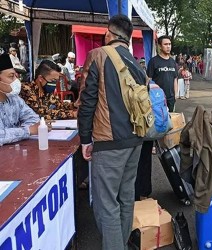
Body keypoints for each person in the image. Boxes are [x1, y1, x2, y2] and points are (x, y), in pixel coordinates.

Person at [77, 14, 146, 250]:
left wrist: (85, 139)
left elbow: (87, 101)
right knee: (126, 198)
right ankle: (121, 245)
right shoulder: (138, 63)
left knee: (106, 204)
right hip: (136, 139)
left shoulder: (98, 55)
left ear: (109, 33)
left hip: (108, 142)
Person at [134, 35, 178, 201]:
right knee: (155, 125)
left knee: (167, 126)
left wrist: (175, 95)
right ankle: (153, 144)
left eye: (169, 43)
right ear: (159, 46)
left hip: (170, 100)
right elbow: (149, 80)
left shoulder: (173, 62)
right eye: (165, 44)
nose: (168, 46)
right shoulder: (153, 62)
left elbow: (175, 79)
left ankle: (164, 147)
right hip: (156, 102)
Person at [0, 53, 40, 146]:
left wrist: (13, 134)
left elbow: (34, 119)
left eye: (16, 76)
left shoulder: (14, 99)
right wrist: (27, 131)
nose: (16, 80)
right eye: (11, 76)